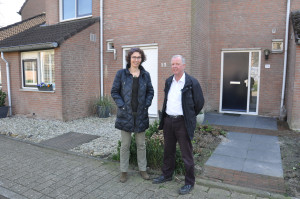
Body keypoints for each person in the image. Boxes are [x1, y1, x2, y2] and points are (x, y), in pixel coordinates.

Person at [152, 55, 204, 195]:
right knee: (168, 150)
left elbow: (199, 103)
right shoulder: (169, 81)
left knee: (186, 154)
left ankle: (189, 183)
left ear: (184, 66)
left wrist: (189, 116)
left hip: (183, 123)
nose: (174, 66)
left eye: (177, 64)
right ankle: (167, 175)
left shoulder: (191, 82)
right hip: (169, 121)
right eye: (173, 64)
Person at [111, 47, 154, 183]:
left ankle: (143, 170)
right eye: (134, 57)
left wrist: (146, 104)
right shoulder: (121, 74)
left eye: (139, 57)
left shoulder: (145, 75)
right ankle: (124, 171)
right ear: (129, 58)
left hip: (140, 115)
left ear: (142, 59)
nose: (136, 60)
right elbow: (114, 92)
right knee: (125, 145)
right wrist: (122, 105)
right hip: (126, 115)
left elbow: (150, 91)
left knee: (141, 145)